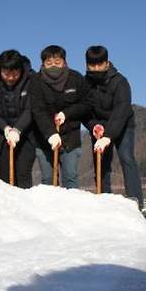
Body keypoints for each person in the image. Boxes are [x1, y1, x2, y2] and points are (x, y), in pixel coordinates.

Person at [83, 45, 146, 217]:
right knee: (101, 162)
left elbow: (122, 109)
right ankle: (104, 201)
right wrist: (94, 126)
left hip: (123, 124)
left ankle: (137, 203)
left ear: (107, 63)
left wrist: (109, 135)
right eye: (92, 65)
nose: (96, 69)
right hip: (99, 127)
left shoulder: (120, 82)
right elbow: (84, 109)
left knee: (126, 158)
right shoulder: (85, 83)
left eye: (99, 64)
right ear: (87, 65)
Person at [29, 45, 90, 188]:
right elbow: (37, 110)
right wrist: (50, 134)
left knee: (70, 178)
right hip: (44, 139)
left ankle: (72, 209)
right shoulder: (36, 81)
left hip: (70, 137)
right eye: (48, 63)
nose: (53, 66)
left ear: (64, 62)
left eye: (57, 62)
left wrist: (67, 113)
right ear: (43, 64)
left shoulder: (75, 78)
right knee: (48, 180)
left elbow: (87, 104)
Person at [0, 50, 36, 188]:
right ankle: (7, 207)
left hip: (27, 133)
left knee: (23, 173)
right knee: (6, 174)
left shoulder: (32, 79)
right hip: (1, 133)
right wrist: (4, 127)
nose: (10, 78)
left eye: (15, 74)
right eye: (6, 74)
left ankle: (25, 204)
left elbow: (32, 108)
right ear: (0, 69)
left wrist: (18, 129)